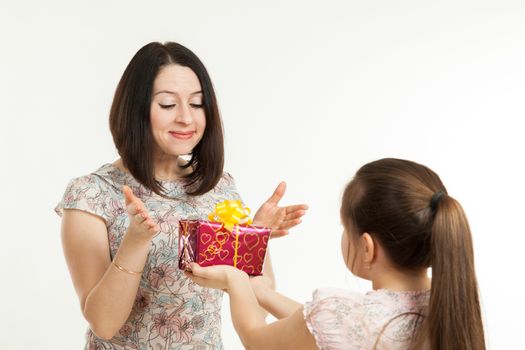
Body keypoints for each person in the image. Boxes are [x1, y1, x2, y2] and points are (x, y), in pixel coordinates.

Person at [55, 41, 308, 349]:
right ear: (135, 109)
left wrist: (255, 238)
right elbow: (104, 324)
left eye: (197, 103)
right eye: (167, 105)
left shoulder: (220, 188)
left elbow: (258, 310)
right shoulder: (90, 195)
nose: (186, 118)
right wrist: (136, 240)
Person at [187, 158, 486, 349]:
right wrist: (256, 281)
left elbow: (256, 338)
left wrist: (234, 279)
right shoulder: (450, 305)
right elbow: (322, 327)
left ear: (367, 247)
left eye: (346, 227)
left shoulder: (340, 315)